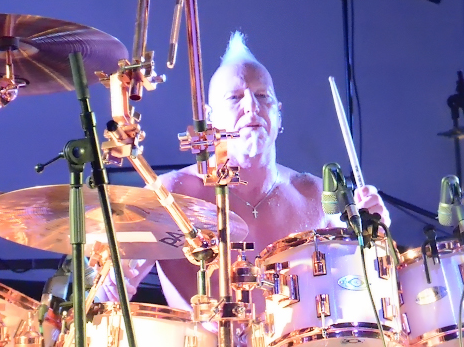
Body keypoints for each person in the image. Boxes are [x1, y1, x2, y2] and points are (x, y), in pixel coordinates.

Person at [116, 32, 391, 308]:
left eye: (262, 95)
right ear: (209, 118)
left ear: (279, 113)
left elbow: (362, 291)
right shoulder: (169, 194)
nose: (252, 106)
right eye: (235, 97)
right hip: (199, 336)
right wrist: (116, 270)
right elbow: (109, 296)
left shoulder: (316, 196)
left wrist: (377, 238)